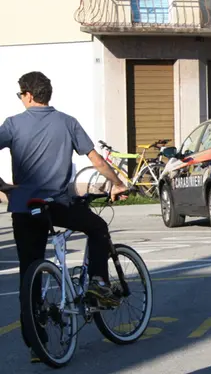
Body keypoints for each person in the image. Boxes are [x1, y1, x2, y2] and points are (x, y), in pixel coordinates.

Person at [0, 72, 128, 361]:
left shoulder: (12, 124)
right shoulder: (68, 122)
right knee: (97, 227)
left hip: (24, 201)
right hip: (57, 202)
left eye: (21, 95)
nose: (21, 99)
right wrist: (118, 183)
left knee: (28, 271)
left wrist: (4, 187)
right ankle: (97, 282)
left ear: (29, 95)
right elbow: (95, 159)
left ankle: (37, 344)